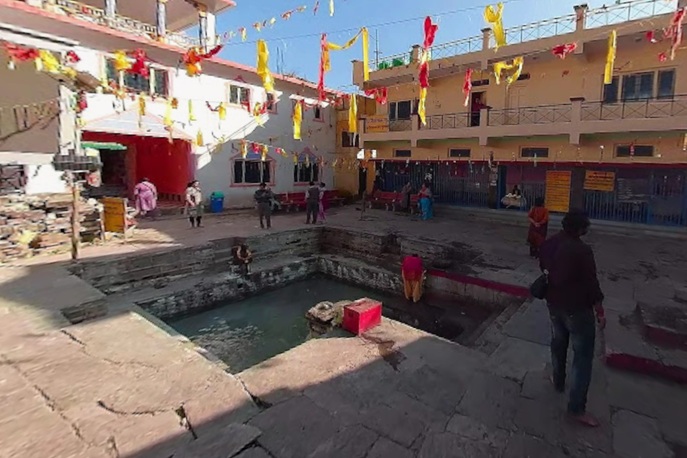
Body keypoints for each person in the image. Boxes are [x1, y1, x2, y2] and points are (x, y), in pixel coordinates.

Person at [539, 209, 606, 428]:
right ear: (580, 229)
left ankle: (558, 380)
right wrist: (600, 310)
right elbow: (591, 282)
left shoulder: (550, 243)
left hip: (553, 303)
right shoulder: (582, 250)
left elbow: (543, 267)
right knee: (583, 358)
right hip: (577, 309)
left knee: (558, 342)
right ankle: (576, 408)